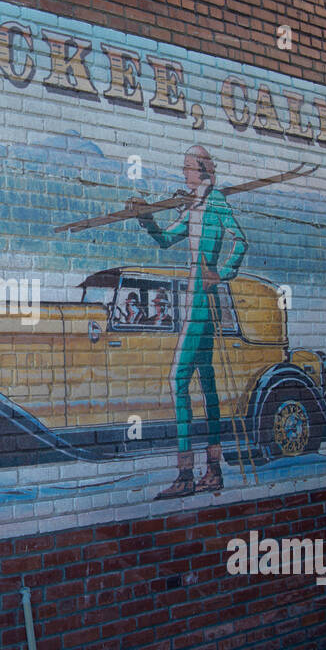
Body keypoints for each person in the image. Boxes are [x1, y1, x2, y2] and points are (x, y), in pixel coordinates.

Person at [129, 145, 248, 498]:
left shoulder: (215, 203)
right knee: (207, 382)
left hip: (202, 300)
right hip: (195, 298)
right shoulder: (194, 205)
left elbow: (241, 242)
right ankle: (213, 470)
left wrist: (220, 273)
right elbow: (165, 240)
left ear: (202, 171)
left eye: (188, 169)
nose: (184, 174)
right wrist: (147, 219)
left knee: (178, 379)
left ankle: (185, 473)